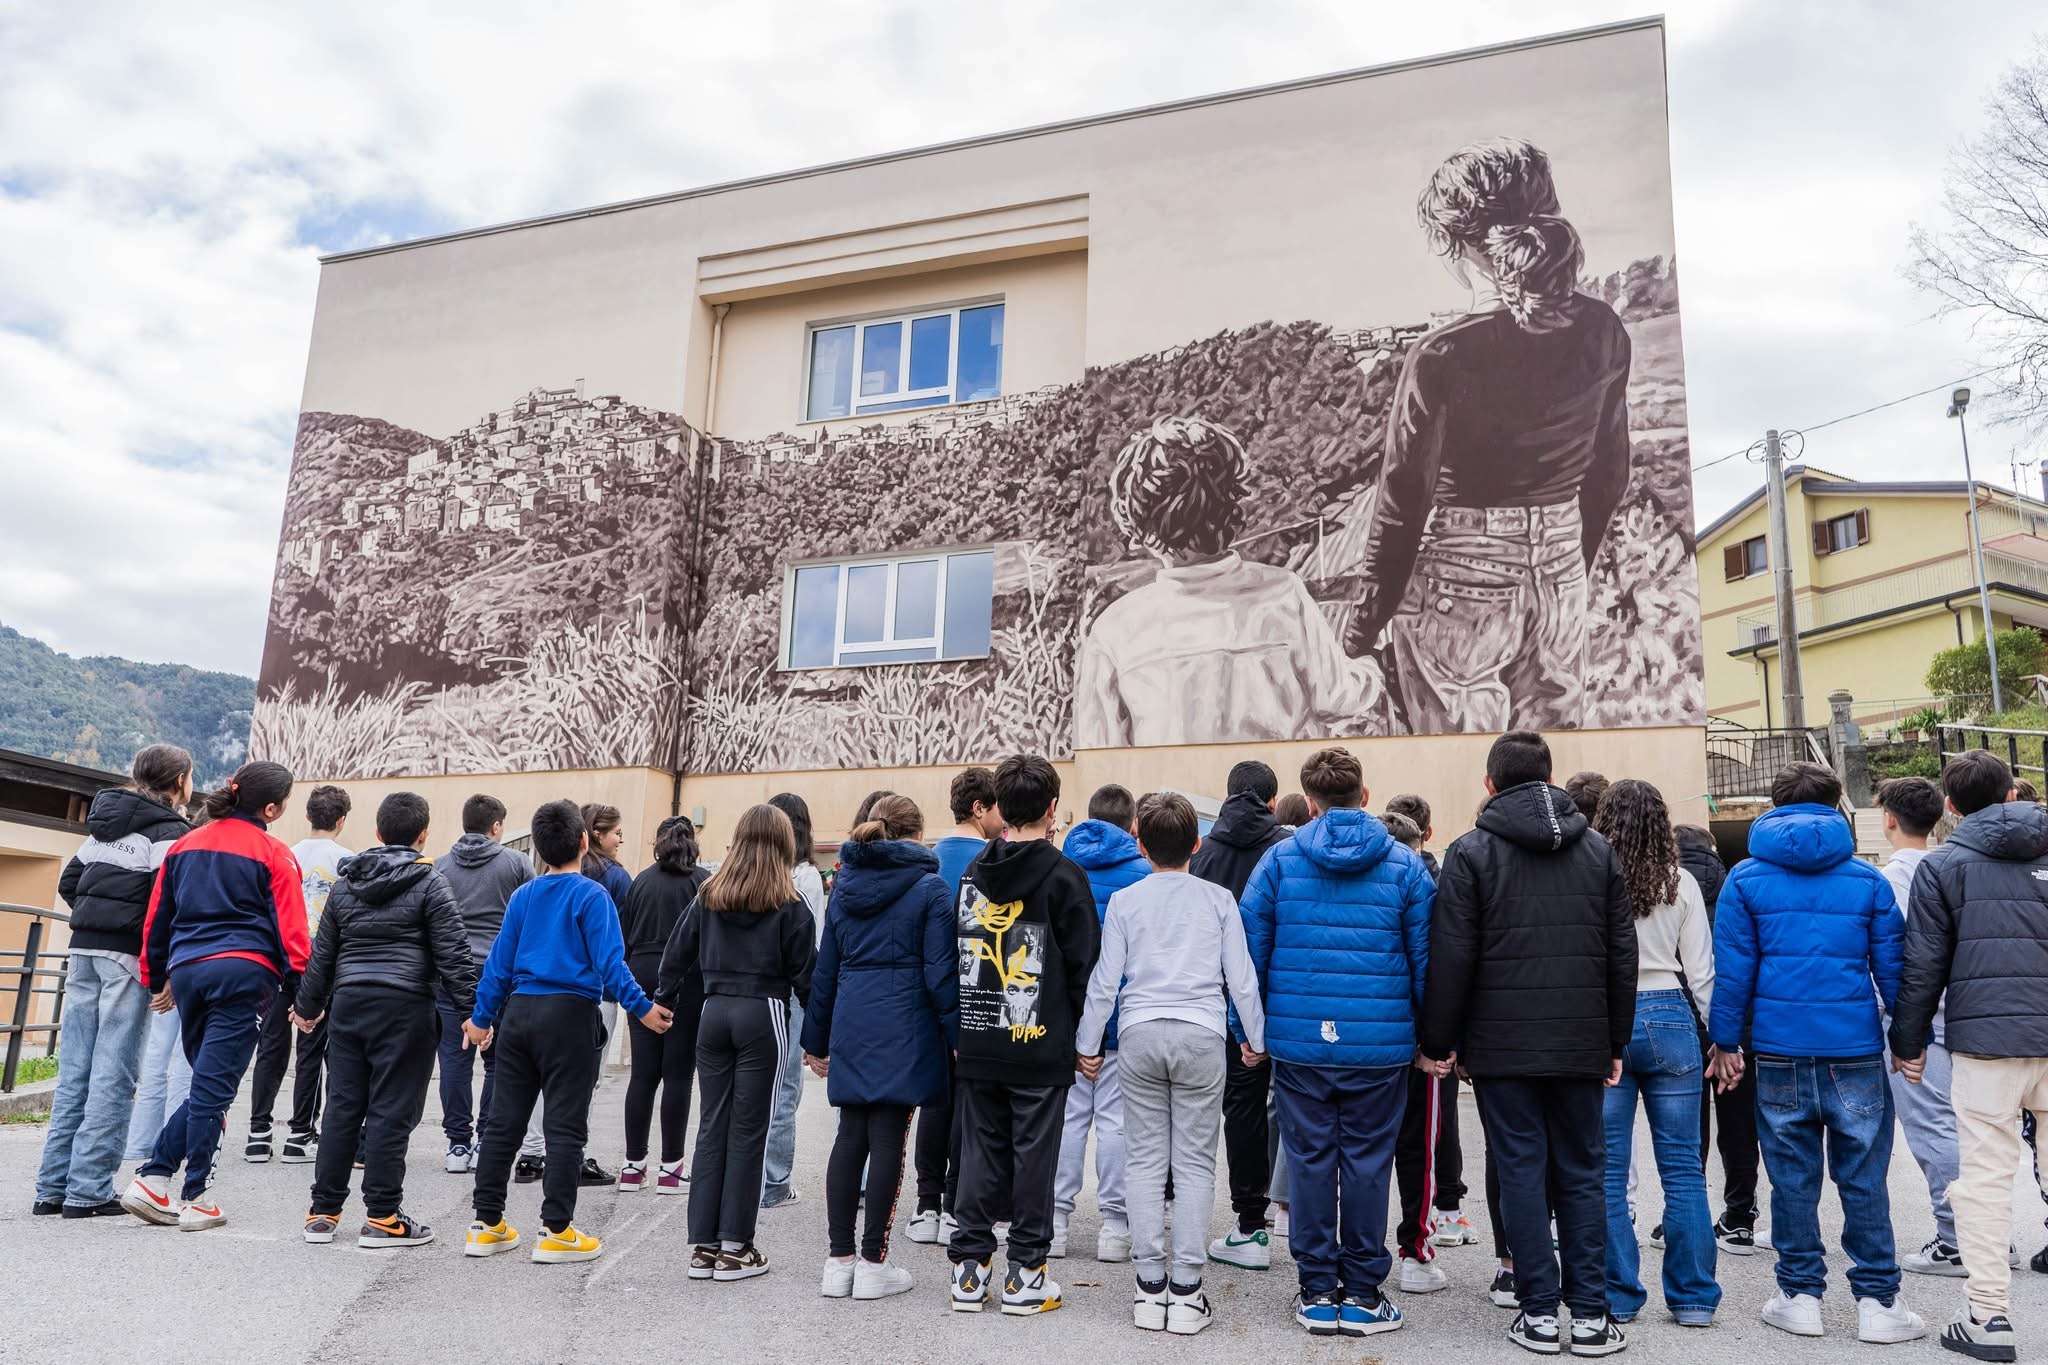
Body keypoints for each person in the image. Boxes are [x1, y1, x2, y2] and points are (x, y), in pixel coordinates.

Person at [1350, 139, 1631, 734]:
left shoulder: (1442, 353)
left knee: (1453, 768)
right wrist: (1567, 562)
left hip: (1459, 577)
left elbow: (1403, 501)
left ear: (1460, 249)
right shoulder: (1605, 328)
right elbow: (1611, 473)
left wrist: (1364, 623)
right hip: (1560, 566)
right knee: (1553, 765)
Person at [1419, 731, 1634, 1356]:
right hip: (1580, 1037)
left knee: (1518, 1168)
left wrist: (1441, 1040)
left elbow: (1451, 956)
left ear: (1490, 784)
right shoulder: (1597, 851)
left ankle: (1538, 1310)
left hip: (1500, 1043)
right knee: (1583, 1171)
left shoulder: (1470, 852)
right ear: (1550, 776)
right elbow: (1622, 954)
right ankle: (1591, 1314)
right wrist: (1614, 1039)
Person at [1711, 762, 1922, 1344]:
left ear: (1774, 805)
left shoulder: (1745, 879)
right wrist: (1907, 1045)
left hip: (1777, 1049)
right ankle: (1879, 1303)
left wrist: (1727, 1043)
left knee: (1791, 1178)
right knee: (1863, 1177)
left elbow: (1732, 973)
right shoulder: (1868, 879)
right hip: (1853, 1047)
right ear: (1836, 807)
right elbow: (1895, 974)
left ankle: (1800, 1296)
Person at [1240, 746, 1432, 1339]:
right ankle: (1364, 1293)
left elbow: (1249, 953)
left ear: (1312, 801)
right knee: (1370, 1162)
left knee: (1310, 1161)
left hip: (1300, 1040)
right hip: (1379, 1045)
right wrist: (1431, 1038)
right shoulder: (1405, 866)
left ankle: (1318, 1289)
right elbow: (1426, 961)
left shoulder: (1277, 863)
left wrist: (1248, 1028)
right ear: (1365, 796)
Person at [1076, 415, 1386, 748]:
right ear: (1232, 506)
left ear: (1140, 531)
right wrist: (1372, 666)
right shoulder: (1282, 592)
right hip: (1274, 796)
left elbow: (1101, 752)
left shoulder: (1114, 629)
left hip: (1169, 800)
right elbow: (1338, 697)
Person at [1078, 791, 1267, 1336]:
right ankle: (1186, 1291)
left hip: (1138, 1033)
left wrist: (1089, 1044)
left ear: (1139, 841)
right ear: (1197, 844)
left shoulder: (1126, 901)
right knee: (1194, 1164)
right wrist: (1254, 1037)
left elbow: (1104, 981)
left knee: (1142, 1160)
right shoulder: (1218, 900)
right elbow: (1242, 978)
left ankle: (1148, 1288)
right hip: (1202, 1035)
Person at [463, 800, 672, 1265]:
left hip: (518, 1013)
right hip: (571, 1014)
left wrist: (481, 1018)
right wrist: (642, 1008)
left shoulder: (524, 897)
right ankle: (556, 1230)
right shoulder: (592, 896)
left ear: (537, 848)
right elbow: (609, 963)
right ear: (584, 840)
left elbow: (498, 965)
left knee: (504, 1123)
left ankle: (486, 1224)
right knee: (564, 1125)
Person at [1891, 749, 2048, 1360]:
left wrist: (1909, 1044)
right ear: (2013, 792)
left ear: (1950, 807)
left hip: (1986, 1046)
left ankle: (1989, 1319)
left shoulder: (1943, 865)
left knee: (1984, 1179)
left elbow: (1923, 966)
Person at [121, 760, 310, 1232]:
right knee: (215, 1089)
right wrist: (302, 991)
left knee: (207, 1082)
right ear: (272, 807)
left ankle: (156, 1178)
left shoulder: (185, 844)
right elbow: (293, 931)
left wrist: (155, 976)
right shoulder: (274, 851)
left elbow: (157, 918)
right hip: (243, 974)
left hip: (187, 974)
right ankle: (192, 1194)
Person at [948, 754, 1101, 1316]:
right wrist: (1090, 1042)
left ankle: (969, 1269)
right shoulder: (1065, 876)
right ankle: (1026, 1273)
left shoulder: (972, 874)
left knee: (978, 1152)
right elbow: (1086, 965)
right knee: (1037, 1157)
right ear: (1053, 808)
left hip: (981, 1035)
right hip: (1039, 1040)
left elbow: (957, 952)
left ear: (1000, 809)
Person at [293, 792, 475, 1249]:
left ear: (376, 834)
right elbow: (453, 955)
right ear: (423, 835)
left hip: (349, 1004)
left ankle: (323, 1212)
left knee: (342, 1107)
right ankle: (383, 1217)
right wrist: (475, 1014)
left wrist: (308, 1007)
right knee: (392, 1112)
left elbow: (324, 955)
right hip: (406, 1007)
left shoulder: (344, 885)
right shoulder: (430, 883)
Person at [802, 794, 956, 1302]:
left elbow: (825, 971)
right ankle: (872, 1262)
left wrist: (815, 1041)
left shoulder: (843, 886)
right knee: (889, 1135)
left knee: (850, 1134)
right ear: (916, 835)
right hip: (905, 1023)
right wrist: (958, 1039)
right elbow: (940, 975)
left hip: (852, 1022)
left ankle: (838, 1260)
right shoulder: (931, 888)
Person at [657, 802, 817, 1282]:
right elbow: (807, 977)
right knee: (750, 1131)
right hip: (762, 1013)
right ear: (784, 843)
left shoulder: (710, 892)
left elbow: (676, 951)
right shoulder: (789, 902)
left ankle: (703, 1247)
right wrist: (820, 1038)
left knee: (711, 1127)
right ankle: (736, 1246)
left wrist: (662, 998)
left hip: (713, 1012)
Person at [35, 744, 193, 1219]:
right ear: (180, 781)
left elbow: (70, 881)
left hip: (81, 950)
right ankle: (88, 1191)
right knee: (114, 1072)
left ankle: (52, 1189)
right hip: (126, 955)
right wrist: (160, 969)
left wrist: (94, 917)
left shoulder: (103, 824)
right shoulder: (168, 830)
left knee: (75, 1070)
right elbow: (168, 903)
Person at [1592, 780, 1719, 1327]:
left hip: (1608, 1017)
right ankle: (1692, 1297)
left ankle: (1619, 1295)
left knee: (1608, 1172)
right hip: (1671, 1014)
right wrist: (1722, 1042)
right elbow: (1703, 973)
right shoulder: (1682, 880)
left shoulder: (1593, 877)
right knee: (1684, 1169)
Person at [1190, 759, 1292, 1271]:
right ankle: (1299, 1215)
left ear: (1228, 796)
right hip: (1287, 996)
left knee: (1243, 1109)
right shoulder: (1286, 849)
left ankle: (1250, 1223)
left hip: (1224, 999)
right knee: (1298, 1106)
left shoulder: (1203, 854)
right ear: (1272, 801)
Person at [1870, 777, 1966, 1277]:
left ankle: (1957, 1240)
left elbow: (1898, 960)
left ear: (1887, 818)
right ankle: (1980, 1232)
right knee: (1968, 1127)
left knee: (1932, 1127)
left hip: (1918, 1015)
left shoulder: (1890, 881)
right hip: (1966, 1010)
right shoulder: (1953, 866)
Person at [1052, 782, 1149, 1262]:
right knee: (1115, 1124)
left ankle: (1056, 1221)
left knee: (1069, 1120)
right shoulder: (1141, 873)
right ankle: (1114, 1225)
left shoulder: (1062, 867)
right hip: (1122, 1016)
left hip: (1069, 1015)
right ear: (1132, 824)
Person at [912, 766, 1005, 1245]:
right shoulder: (993, 861)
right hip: (977, 997)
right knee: (971, 1108)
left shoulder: (928, 861)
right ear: (979, 809)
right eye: (998, 808)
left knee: (934, 1102)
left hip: (927, 998)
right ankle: (954, 1205)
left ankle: (926, 1206)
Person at [247, 783, 351, 1166]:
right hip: (321, 963)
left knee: (271, 1045)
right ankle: (299, 1134)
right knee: (312, 1048)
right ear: (341, 820)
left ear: (307, 815)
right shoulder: (348, 861)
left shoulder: (283, 854)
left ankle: (258, 1134)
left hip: (277, 958)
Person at [432, 794, 534, 1173]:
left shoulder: (440, 867)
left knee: (454, 1058)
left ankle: (457, 1144)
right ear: (495, 828)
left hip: (452, 975)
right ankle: (487, 1138)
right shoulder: (517, 863)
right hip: (501, 973)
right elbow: (531, 917)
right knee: (498, 1062)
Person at [1672, 823, 1757, 1254]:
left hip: (1679, 1019)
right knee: (1740, 1125)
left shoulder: (1666, 888)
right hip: (1736, 1019)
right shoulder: (1736, 889)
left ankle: (1688, 1217)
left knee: (1689, 1128)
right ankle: (1740, 1217)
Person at [618, 815, 709, 1194]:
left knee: (642, 1074)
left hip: (640, 971)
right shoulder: (702, 881)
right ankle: (671, 1169)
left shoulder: (640, 880)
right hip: (686, 977)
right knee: (677, 1074)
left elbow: (624, 934)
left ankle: (632, 1166)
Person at [761, 791, 828, 1210]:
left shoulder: (753, 874)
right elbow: (812, 949)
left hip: (753, 993)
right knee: (785, 1090)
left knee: (754, 1088)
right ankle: (774, 1182)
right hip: (790, 994)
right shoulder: (805, 879)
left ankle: (754, 1177)